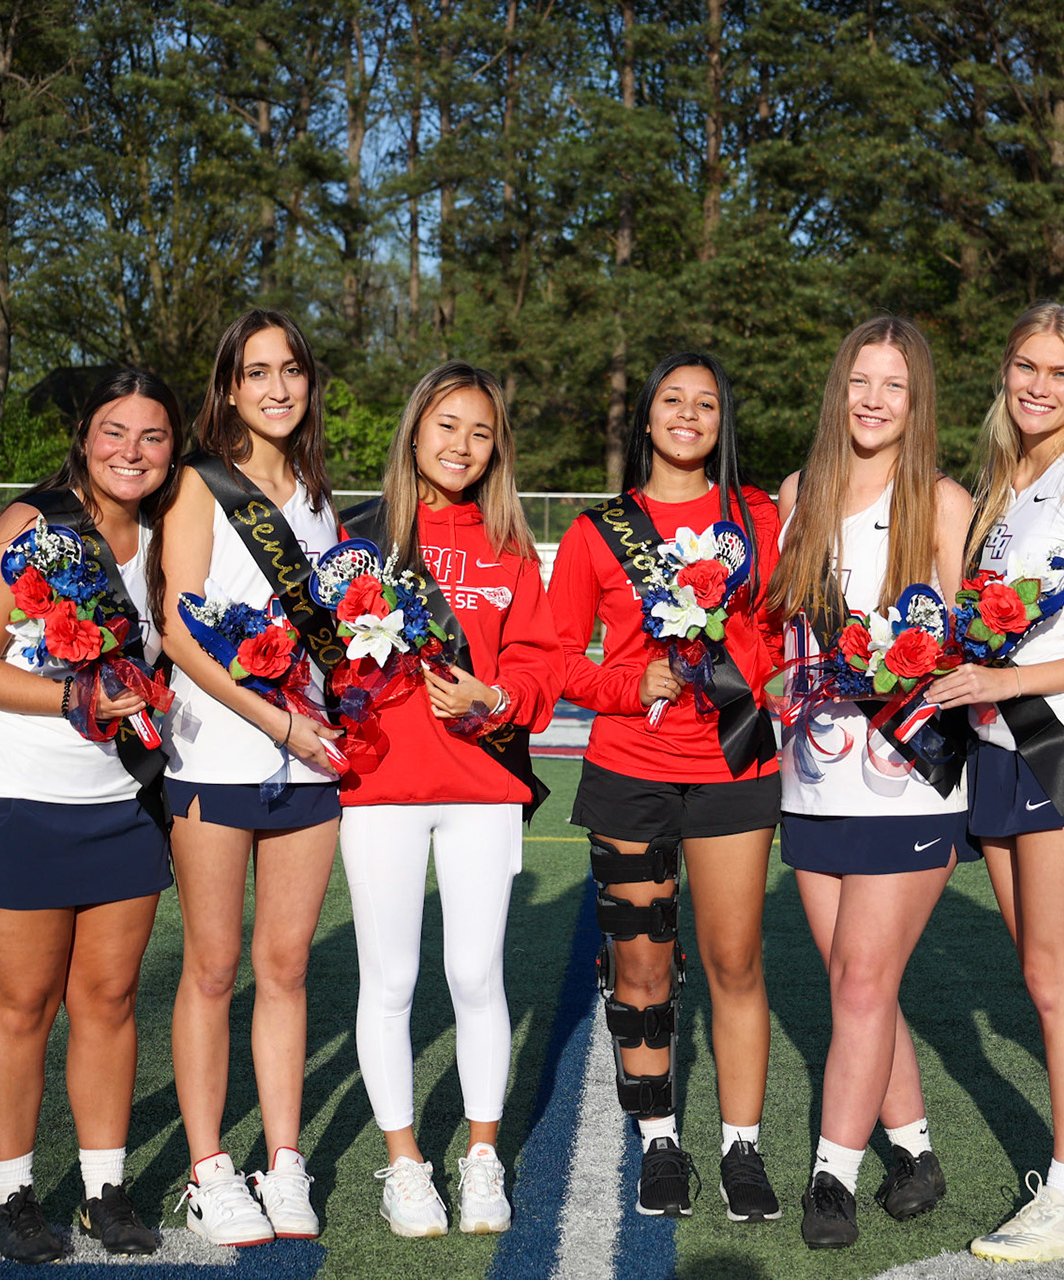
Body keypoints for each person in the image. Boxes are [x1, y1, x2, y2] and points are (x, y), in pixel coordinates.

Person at [0, 369, 183, 1263]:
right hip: (12, 798)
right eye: (115, 433)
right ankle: (16, 1195)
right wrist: (74, 695)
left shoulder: (163, 536)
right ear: (84, 436)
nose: (132, 452)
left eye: (152, 437)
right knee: (21, 1003)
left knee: (108, 1000)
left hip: (122, 801)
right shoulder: (30, 525)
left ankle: (106, 1189)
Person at [549, 351, 783, 1221]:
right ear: (645, 419)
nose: (688, 415)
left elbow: (786, 623)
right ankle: (659, 1141)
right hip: (629, 772)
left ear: (723, 421)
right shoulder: (593, 533)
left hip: (734, 761)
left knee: (734, 961)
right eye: (672, 401)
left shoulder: (759, 517)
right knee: (640, 966)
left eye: (707, 403)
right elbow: (561, 660)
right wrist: (629, 684)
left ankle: (742, 1148)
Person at [928, 302, 1064, 1262]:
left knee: (1058, 979)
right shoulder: (1006, 480)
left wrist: (1008, 680)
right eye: (1025, 367)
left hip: (1056, 743)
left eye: (1060, 373)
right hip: (995, 744)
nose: (1038, 386)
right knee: (1039, 971)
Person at [333, 362, 562, 1238]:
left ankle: (480, 1156)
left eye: (480, 430)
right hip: (381, 785)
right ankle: (403, 1165)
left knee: (475, 974)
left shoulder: (509, 542)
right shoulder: (360, 535)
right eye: (446, 425)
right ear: (414, 431)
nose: (462, 445)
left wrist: (491, 699)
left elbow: (541, 664)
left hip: (483, 786)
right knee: (390, 979)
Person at [766, 315, 976, 1249]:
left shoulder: (943, 501)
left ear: (916, 399)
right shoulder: (798, 494)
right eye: (859, 380)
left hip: (909, 775)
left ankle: (831, 1178)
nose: (874, 400)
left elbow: (969, 642)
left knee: (857, 981)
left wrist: (899, 663)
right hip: (813, 779)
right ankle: (917, 1150)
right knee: (864, 985)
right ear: (838, 388)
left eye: (893, 385)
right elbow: (782, 635)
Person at [159, 310, 344, 1248]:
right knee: (214, 967)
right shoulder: (198, 485)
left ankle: (284, 1161)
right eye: (257, 372)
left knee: (285, 967)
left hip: (309, 765)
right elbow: (181, 631)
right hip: (217, 759)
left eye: (293, 371)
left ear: (309, 386)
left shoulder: (317, 493)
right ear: (229, 387)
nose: (277, 388)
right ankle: (207, 1169)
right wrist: (281, 723)